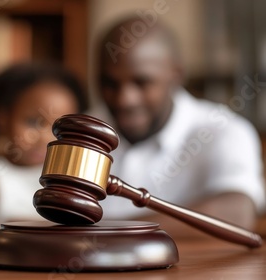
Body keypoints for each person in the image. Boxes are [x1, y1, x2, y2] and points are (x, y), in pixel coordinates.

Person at [92, 17, 265, 239]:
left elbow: (236, 213)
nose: (125, 100)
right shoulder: (79, 131)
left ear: (176, 75)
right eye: (109, 83)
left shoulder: (225, 130)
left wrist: (103, 235)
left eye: (141, 82)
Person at [0, 63, 88, 240]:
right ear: (3, 119)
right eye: (33, 122)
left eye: (59, 129)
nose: (45, 138)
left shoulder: (70, 177)